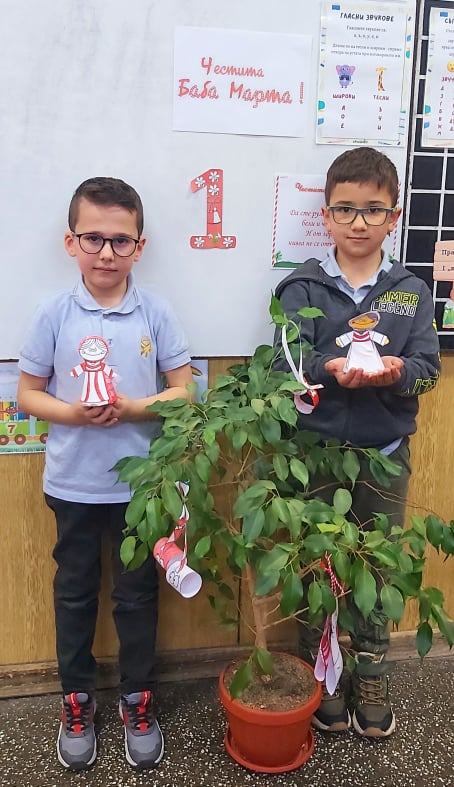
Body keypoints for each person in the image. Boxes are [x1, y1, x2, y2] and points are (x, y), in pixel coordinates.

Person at [17, 177, 193, 771]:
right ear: (71, 242)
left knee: (137, 594)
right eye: (93, 238)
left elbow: (184, 392)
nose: (107, 253)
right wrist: (75, 413)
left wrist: (133, 408)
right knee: (74, 592)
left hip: (141, 488)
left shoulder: (156, 311)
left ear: (140, 246)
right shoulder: (53, 312)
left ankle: (137, 699)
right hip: (72, 483)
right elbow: (27, 394)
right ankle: (76, 700)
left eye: (121, 241)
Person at [274, 147, 440, 739]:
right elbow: (284, 365)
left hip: (384, 456)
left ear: (394, 217)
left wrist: (395, 373)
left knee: (375, 565)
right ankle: (320, 675)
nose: (359, 222)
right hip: (314, 457)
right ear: (326, 215)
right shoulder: (301, 286)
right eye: (345, 209)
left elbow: (429, 370)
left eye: (374, 210)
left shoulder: (410, 291)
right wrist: (327, 369)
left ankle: (371, 676)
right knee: (315, 566)